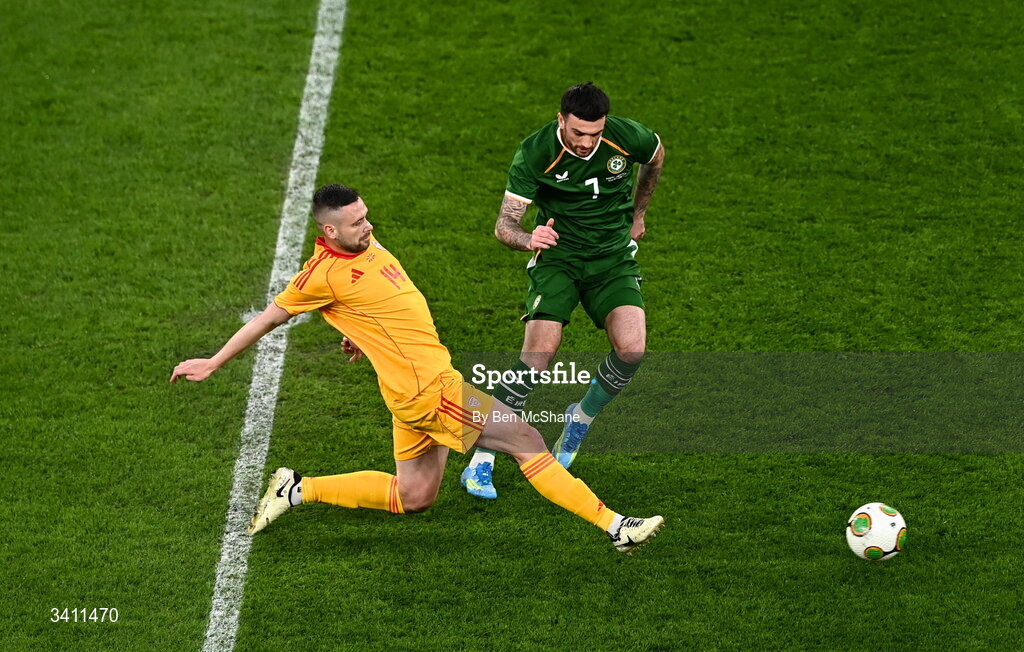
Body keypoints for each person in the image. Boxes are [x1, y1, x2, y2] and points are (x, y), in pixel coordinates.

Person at [171, 184, 664, 553]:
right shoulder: (319, 276)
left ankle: (295, 488)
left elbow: (382, 304)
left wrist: (362, 335)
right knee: (528, 441)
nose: (368, 225)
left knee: (415, 495)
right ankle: (617, 527)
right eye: (357, 221)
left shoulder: (368, 246)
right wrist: (214, 362)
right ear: (329, 231)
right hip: (433, 390)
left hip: (407, 393)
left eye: (366, 215)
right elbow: (268, 318)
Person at [462, 82, 664, 499]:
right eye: (578, 134)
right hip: (560, 258)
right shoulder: (536, 153)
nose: (588, 143)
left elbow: (656, 157)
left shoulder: (626, 137)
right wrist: (528, 238)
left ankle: (580, 418)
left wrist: (639, 213)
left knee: (632, 349)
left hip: (612, 259)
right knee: (539, 354)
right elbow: (503, 226)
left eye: (595, 133)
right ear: (561, 121)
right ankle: (481, 458)